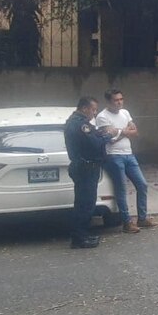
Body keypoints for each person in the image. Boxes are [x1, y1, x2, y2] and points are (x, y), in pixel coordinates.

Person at [96, 88, 158, 233]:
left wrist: (119, 131)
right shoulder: (102, 117)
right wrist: (125, 131)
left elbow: (135, 132)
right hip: (114, 156)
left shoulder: (125, 112)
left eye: (121, 99)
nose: (119, 103)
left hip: (129, 154)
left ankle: (142, 218)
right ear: (109, 102)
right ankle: (126, 222)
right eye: (116, 100)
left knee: (142, 184)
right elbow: (109, 140)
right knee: (121, 189)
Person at [64, 97, 111, 249]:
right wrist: (108, 135)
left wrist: (98, 133)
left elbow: (90, 138)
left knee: (83, 203)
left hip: (83, 166)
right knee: (85, 204)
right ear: (85, 109)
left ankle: (82, 235)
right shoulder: (81, 125)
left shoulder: (75, 122)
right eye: (93, 109)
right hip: (86, 167)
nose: (94, 113)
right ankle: (79, 238)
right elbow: (95, 143)